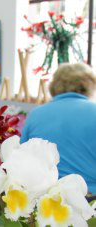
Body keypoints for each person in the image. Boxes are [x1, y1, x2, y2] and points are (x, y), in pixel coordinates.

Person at [20, 63, 96, 194]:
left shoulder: (36, 114)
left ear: (54, 85)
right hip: (90, 200)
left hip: (46, 200)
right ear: (89, 85)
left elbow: (22, 158)